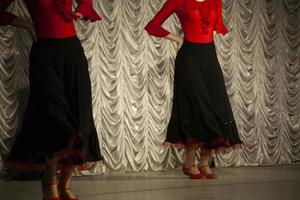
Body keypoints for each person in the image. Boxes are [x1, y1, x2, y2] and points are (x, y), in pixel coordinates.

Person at [0, 0, 102, 199]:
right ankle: (50, 185)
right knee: (53, 118)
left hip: (72, 52)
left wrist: (80, 11)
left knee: (79, 118)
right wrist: (28, 25)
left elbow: (86, 1)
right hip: (44, 53)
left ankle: (65, 185)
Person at [145, 0, 243, 179]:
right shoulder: (177, 1)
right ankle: (189, 162)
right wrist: (177, 39)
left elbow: (215, 26)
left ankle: (204, 162)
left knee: (217, 107)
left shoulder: (215, 1)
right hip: (189, 58)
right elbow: (152, 26)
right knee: (198, 107)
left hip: (209, 58)